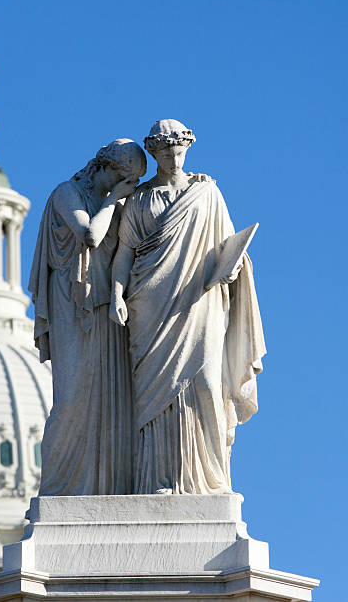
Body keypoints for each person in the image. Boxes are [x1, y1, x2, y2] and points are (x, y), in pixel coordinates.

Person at [110, 120, 266, 494]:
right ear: (154, 154)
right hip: (149, 306)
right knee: (154, 399)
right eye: (166, 153)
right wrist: (116, 293)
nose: (174, 159)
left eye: (179, 152)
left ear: (188, 150)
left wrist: (234, 269)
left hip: (200, 302)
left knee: (207, 384)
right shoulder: (139, 200)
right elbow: (125, 253)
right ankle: (158, 480)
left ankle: (209, 480)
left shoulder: (208, 193)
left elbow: (231, 246)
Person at [29, 139, 146, 495]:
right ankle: (60, 486)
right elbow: (90, 236)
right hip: (71, 302)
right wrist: (113, 200)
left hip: (105, 307)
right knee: (73, 396)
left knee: (111, 398)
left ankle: (106, 486)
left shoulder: (119, 202)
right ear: (105, 168)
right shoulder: (67, 193)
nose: (130, 189)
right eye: (126, 179)